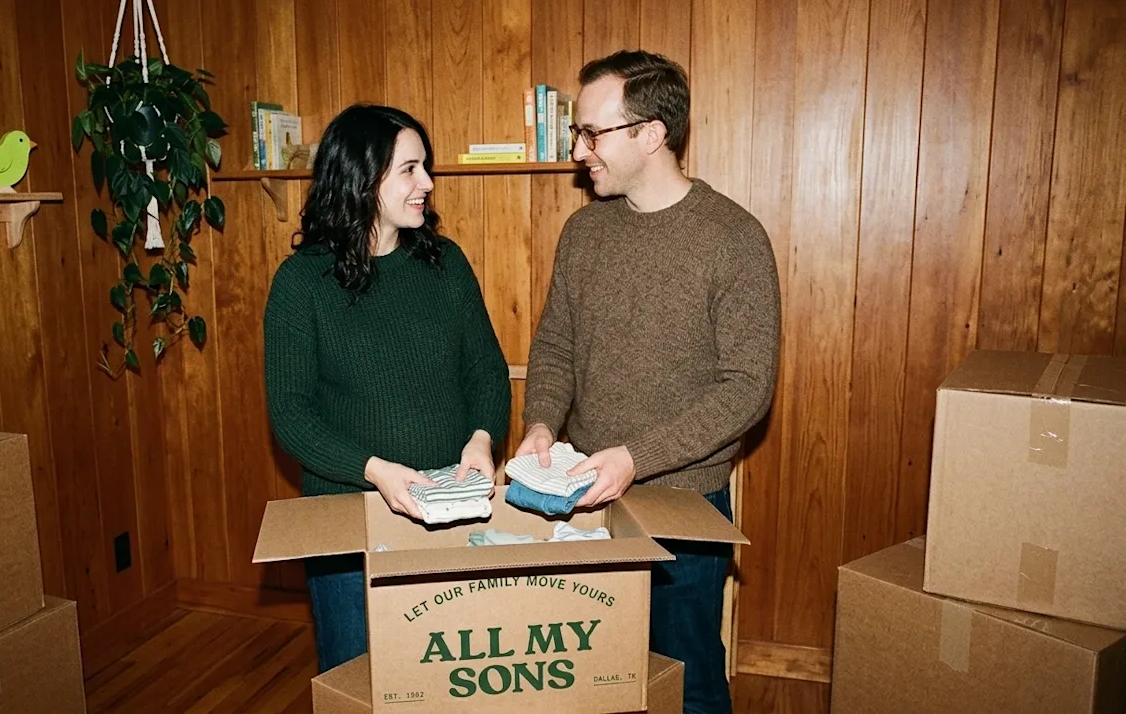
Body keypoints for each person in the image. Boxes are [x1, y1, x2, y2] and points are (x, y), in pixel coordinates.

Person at [514, 51, 781, 714]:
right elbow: (554, 346)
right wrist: (542, 424)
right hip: (583, 504)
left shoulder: (733, 238)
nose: (579, 150)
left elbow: (747, 386)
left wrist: (638, 459)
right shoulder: (583, 232)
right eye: (579, 133)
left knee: (686, 683)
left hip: (682, 509)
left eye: (591, 134)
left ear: (652, 134)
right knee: (597, 682)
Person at [263, 104, 511, 672]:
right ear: (359, 179)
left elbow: (487, 370)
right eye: (410, 169)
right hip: (349, 521)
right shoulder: (302, 283)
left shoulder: (446, 263)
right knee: (360, 676)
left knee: (447, 680)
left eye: (426, 167)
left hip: (451, 515)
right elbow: (292, 415)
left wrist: (481, 440)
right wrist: (376, 471)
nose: (427, 183)